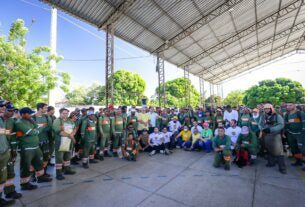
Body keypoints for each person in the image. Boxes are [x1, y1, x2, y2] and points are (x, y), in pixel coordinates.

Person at [15, 107, 52, 190]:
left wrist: (36, 127)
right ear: (23, 114)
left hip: (36, 146)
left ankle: (40, 177)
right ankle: (25, 184)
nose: (31, 115)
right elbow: (32, 132)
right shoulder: (19, 122)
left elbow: (36, 127)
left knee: (39, 163)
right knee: (26, 166)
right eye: (29, 114)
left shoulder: (30, 120)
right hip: (27, 148)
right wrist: (38, 129)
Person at [259, 103, 286, 174]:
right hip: (266, 135)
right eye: (265, 109)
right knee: (269, 149)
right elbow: (260, 124)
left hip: (275, 135)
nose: (266, 110)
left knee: (279, 152)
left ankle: (282, 168)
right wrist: (262, 128)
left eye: (268, 109)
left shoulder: (277, 116)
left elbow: (281, 125)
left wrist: (271, 129)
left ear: (271, 108)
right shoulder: (263, 116)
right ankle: (271, 163)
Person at [2, 103, 22, 200]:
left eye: (13, 111)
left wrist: (14, 149)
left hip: (8, 150)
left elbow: (14, 135)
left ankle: (10, 191)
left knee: (10, 172)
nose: (12, 113)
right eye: (9, 110)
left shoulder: (12, 121)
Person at [0, 100, 17, 206]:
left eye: (4, 106)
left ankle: (8, 193)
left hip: (5, 150)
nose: (3, 107)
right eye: (1, 106)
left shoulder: (3, 119)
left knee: (5, 175)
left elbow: (4, 134)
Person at [53, 108, 77, 180]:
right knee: (59, 158)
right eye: (64, 113)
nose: (65, 115)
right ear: (60, 113)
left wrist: (72, 135)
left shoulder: (70, 120)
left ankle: (67, 169)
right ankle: (59, 174)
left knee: (67, 157)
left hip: (68, 142)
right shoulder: (57, 121)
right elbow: (58, 131)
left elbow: (74, 128)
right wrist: (71, 136)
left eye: (66, 113)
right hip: (60, 143)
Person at [33, 103, 53, 177]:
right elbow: (33, 130)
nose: (46, 109)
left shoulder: (47, 117)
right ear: (40, 108)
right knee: (36, 159)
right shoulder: (32, 118)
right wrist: (43, 126)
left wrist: (42, 127)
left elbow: (50, 127)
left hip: (45, 141)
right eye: (45, 108)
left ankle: (43, 173)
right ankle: (34, 175)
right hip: (35, 142)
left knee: (45, 158)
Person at [284, 102, 305, 168]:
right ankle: (298, 161)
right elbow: (286, 124)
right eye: (287, 105)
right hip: (290, 134)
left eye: (290, 105)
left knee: (303, 149)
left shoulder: (300, 113)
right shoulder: (287, 114)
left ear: (294, 106)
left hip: (300, 134)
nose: (289, 106)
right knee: (294, 149)